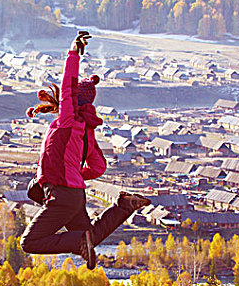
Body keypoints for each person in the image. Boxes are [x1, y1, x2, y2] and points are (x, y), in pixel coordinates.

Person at [20, 31, 151, 270]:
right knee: (91, 235)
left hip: (61, 195)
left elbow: (68, 86)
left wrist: (73, 53)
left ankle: (78, 242)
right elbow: (99, 166)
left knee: (30, 242)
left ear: (72, 102)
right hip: (74, 195)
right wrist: (74, 174)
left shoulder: (68, 120)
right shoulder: (86, 131)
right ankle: (124, 206)